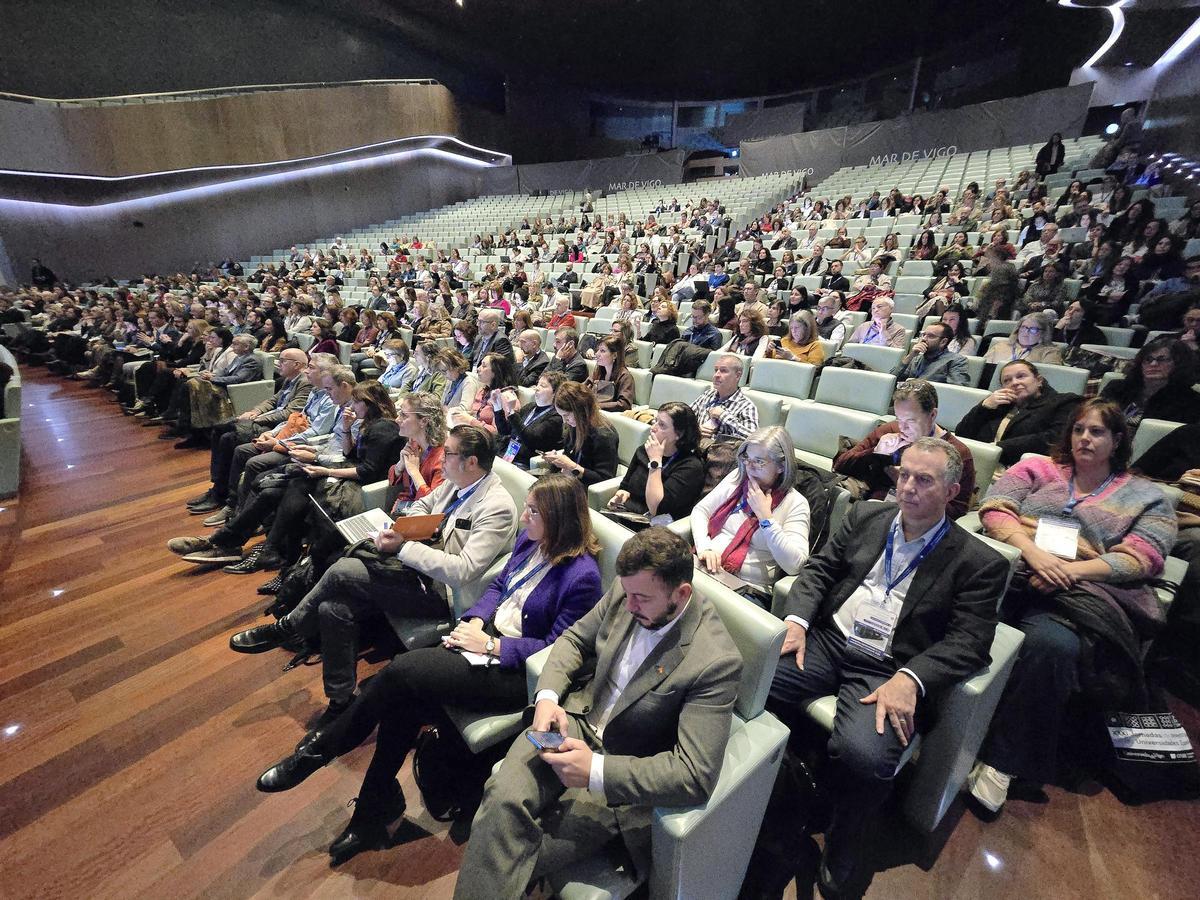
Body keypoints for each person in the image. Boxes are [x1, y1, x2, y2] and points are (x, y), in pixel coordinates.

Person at [250, 474, 604, 863]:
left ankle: (320, 752)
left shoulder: (582, 576)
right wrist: (473, 621)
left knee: (401, 673)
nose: (524, 517)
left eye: (533, 511)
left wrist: (491, 645)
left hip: (517, 672)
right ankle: (370, 810)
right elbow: (498, 587)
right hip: (482, 641)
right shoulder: (532, 541)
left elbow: (558, 648)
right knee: (403, 702)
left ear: (558, 517)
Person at [766, 438, 1008, 894]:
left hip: (889, 667)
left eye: (924, 480)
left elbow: (971, 641)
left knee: (864, 754)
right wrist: (796, 621)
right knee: (754, 684)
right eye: (904, 474)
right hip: (830, 639)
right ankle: (779, 793)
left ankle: (846, 834)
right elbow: (819, 570)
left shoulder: (978, 562)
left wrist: (912, 678)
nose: (907, 486)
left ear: (952, 491)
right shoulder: (865, 516)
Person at [454, 526, 742, 900]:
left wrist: (595, 770)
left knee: (508, 847)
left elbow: (694, 774)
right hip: (573, 720)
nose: (630, 605)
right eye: (628, 593)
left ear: (681, 594)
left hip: (623, 769)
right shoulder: (627, 589)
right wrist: (547, 697)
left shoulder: (715, 661)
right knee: (500, 799)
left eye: (642, 598)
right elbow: (574, 640)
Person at [227, 425, 519, 723]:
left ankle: (288, 626)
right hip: (415, 567)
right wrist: (405, 529)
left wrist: (402, 547)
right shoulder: (458, 482)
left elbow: (462, 571)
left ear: (471, 462)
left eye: (449, 454)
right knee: (333, 608)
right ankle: (340, 702)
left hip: (442, 592)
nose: (442, 459)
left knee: (343, 570)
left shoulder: (496, 507)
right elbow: (423, 503)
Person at [969, 400, 1177, 813]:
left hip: (1079, 590)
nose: (1084, 438)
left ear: (1118, 440)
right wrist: (1033, 554)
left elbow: (1143, 556)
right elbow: (995, 509)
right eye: (1079, 429)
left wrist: (1071, 571)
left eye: (1097, 432)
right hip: (1016, 567)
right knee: (961, 609)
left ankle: (1002, 762)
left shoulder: (1147, 496)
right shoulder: (1037, 468)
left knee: (1052, 646)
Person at [222, 380, 404, 575]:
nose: (352, 406)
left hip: (364, 484)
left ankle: (266, 550)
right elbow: (349, 453)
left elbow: (367, 471)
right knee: (277, 490)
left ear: (370, 404)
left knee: (293, 487)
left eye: (357, 402)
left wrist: (325, 471)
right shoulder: (369, 424)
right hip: (350, 473)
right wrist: (346, 428)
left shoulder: (383, 428)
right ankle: (269, 550)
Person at [185, 348, 311, 515]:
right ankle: (218, 487)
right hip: (269, 421)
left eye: (283, 360)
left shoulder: (305, 382)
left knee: (228, 437)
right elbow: (274, 400)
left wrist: (257, 419)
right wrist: (256, 411)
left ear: (297, 364)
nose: (278, 363)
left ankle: (221, 494)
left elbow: (290, 413)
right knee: (220, 432)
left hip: (277, 427)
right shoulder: (290, 379)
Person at [692, 426, 811, 602]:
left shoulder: (795, 503)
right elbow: (701, 511)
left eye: (759, 461)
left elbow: (795, 565)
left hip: (747, 589)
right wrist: (705, 547)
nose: (749, 467)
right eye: (747, 458)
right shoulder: (738, 478)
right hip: (706, 567)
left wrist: (766, 518)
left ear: (781, 466)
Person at [834, 380, 978, 519]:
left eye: (910, 420)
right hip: (872, 508)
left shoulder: (957, 453)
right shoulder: (890, 431)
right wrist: (875, 452)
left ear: (932, 415)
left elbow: (956, 511)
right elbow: (840, 465)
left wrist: (907, 483)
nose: (902, 428)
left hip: (917, 521)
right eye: (899, 419)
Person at [957, 359, 1082, 465]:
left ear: (1039, 380)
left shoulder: (1064, 402)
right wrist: (983, 407)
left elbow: (1054, 438)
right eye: (1007, 380)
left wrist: (995, 449)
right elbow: (962, 433)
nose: (1015, 383)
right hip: (979, 464)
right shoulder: (997, 404)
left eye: (1021, 376)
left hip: (1021, 468)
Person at [606, 401, 705, 525]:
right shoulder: (644, 450)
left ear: (679, 434)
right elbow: (625, 485)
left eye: (662, 425)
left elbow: (656, 508)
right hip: (627, 514)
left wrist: (655, 462)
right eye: (655, 421)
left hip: (656, 527)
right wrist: (622, 493)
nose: (653, 428)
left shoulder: (690, 467)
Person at [1100, 336, 1200, 426]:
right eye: (1148, 359)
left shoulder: (1191, 402)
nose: (1153, 364)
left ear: (1179, 364)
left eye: (1161, 359)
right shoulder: (1117, 388)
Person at [540, 380, 619, 485]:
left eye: (566, 415)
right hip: (570, 481)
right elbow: (569, 455)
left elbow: (604, 480)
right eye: (561, 416)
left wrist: (572, 467)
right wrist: (557, 460)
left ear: (580, 410)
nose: (564, 421)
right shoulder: (575, 426)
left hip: (585, 487)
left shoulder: (604, 435)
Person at [494, 372, 567, 469]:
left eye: (542, 386)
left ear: (555, 393)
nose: (537, 388)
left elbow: (531, 440)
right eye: (537, 384)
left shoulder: (556, 418)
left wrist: (511, 411)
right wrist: (497, 406)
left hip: (524, 462)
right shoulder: (530, 407)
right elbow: (504, 431)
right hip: (508, 454)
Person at [691, 354, 759, 443]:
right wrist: (696, 430)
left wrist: (723, 415)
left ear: (737, 375)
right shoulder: (707, 395)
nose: (716, 375)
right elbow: (685, 419)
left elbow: (753, 439)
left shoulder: (746, 406)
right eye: (716, 370)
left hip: (718, 450)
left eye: (723, 371)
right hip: (695, 446)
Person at [453, 351, 516, 435]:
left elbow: (498, 433)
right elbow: (476, 415)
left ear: (496, 371)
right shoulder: (482, 390)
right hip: (474, 434)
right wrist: (464, 415)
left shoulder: (506, 397)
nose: (478, 369)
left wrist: (471, 421)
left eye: (484, 366)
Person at [891, 322, 970, 385]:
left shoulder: (956, 360)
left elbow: (955, 391)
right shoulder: (915, 358)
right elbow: (892, 381)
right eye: (924, 335)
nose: (924, 339)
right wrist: (910, 356)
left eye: (930, 336)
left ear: (943, 342)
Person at [982, 313, 1064, 365]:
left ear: (1043, 333)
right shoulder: (1000, 346)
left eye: (1033, 329)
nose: (1026, 332)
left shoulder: (1050, 352)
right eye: (1024, 327)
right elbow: (984, 370)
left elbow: (1049, 378)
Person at [583, 335, 636, 412]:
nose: (597, 354)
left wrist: (595, 406)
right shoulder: (598, 372)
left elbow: (624, 404)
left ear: (614, 355)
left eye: (602, 351)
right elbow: (583, 388)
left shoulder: (625, 376)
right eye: (597, 350)